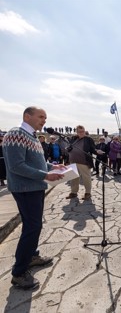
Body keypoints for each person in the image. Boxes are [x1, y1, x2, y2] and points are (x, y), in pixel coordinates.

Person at [3, 106, 65, 289]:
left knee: (34, 225)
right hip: (25, 189)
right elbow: (16, 166)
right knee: (32, 227)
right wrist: (45, 175)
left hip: (34, 187)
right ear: (27, 116)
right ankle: (19, 272)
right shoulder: (16, 134)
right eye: (41, 117)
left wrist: (52, 167)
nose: (44, 120)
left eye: (45, 117)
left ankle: (31, 256)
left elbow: (36, 162)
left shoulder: (32, 137)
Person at [66, 125, 98, 200]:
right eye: (79, 132)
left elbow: (93, 149)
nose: (81, 133)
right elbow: (69, 147)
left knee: (86, 178)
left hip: (84, 162)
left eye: (83, 131)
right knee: (74, 178)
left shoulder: (88, 139)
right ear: (76, 132)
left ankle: (88, 193)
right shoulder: (73, 138)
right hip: (73, 161)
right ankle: (73, 192)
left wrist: (97, 152)